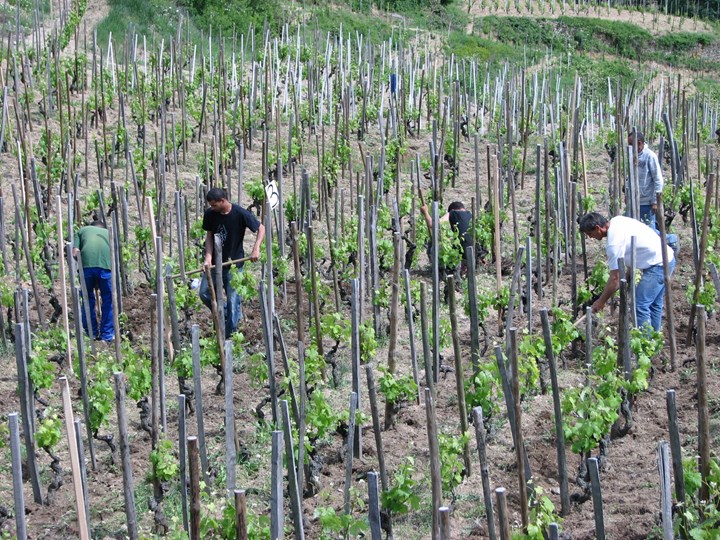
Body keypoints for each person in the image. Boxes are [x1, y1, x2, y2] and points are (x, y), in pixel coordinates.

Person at [579, 212, 675, 332]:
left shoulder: (613, 244)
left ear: (598, 228)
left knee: (639, 305)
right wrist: (626, 276)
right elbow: (633, 249)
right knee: (654, 304)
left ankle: (644, 341)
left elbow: (615, 278)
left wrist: (601, 302)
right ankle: (654, 339)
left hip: (658, 265)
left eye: (590, 234)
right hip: (667, 257)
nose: (590, 237)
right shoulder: (617, 220)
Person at [200, 188, 265, 336]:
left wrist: (256, 249)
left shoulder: (240, 213)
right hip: (214, 264)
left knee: (232, 299)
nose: (212, 208)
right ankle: (225, 313)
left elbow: (261, 228)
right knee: (204, 293)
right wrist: (208, 257)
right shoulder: (210, 214)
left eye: (214, 205)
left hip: (234, 265)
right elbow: (209, 237)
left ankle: (230, 336)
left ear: (222, 201)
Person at [74, 220, 114, 342]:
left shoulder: (82, 231)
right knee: (108, 300)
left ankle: (90, 333)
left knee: (87, 300)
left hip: (86, 268)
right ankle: (107, 335)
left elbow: (75, 252)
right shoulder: (109, 233)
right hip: (105, 268)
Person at [420, 201, 473, 272]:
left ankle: (441, 270)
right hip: (473, 254)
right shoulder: (470, 215)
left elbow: (433, 225)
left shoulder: (453, 213)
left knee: (435, 248)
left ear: (452, 209)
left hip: (461, 255)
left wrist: (425, 212)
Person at [628, 131, 663, 231]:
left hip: (647, 202)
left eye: (631, 145)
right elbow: (629, 176)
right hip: (634, 201)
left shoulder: (650, 156)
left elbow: (658, 179)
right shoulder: (631, 155)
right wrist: (627, 194)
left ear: (639, 143)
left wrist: (655, 201)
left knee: (649, 231)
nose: (629, 147)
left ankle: (671, 238)